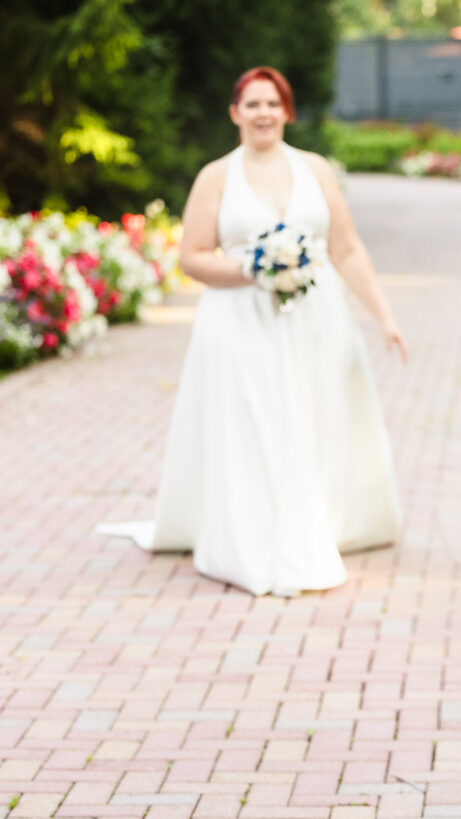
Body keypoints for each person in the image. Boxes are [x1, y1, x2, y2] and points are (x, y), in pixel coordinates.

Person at [147, 66, 406, 596]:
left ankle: (320, 523)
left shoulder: (315, 169)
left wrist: (384, 316)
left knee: (314, 417)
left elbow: (346, 248)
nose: (263, 113)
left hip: (317, 319)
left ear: (287, 111)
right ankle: (250, 535)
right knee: (255, 421)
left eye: (273, 103)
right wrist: (254, 270)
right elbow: (191, 259)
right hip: (239, 323)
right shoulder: (216, 176)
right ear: (235, 113)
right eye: (253, 104)